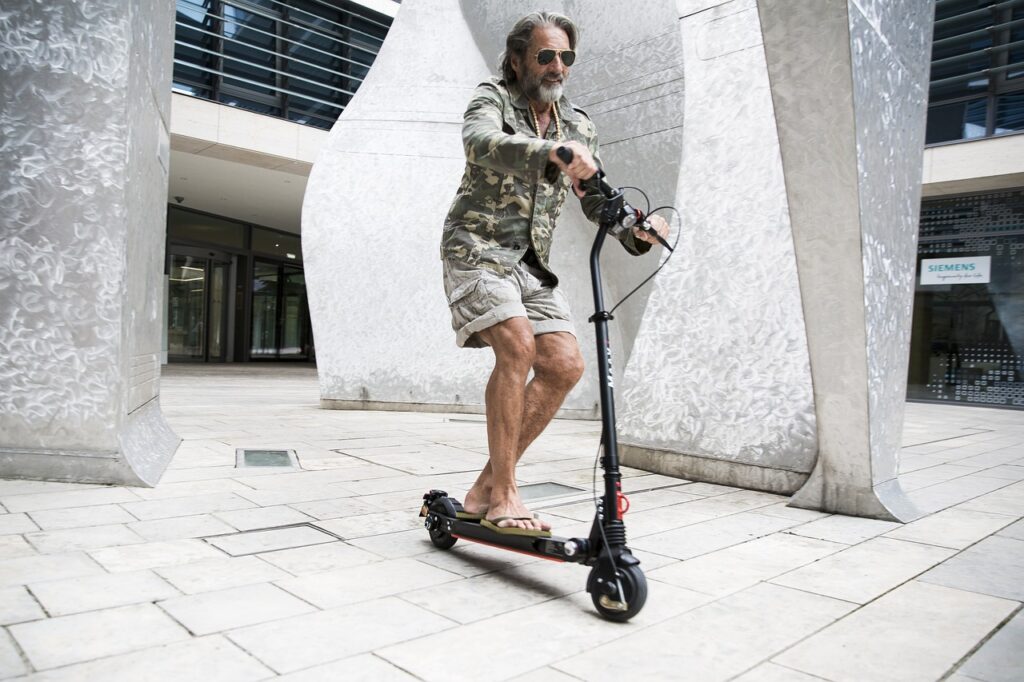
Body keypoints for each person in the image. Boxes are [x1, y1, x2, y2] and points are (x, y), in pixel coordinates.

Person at [439, 11, 669, 537]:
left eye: (566, 57)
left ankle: (483, 491)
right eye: (546, 56)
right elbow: (478, 142)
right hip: (476, 249)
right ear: (519, 59)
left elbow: (593, 200)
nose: (558, 66)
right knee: (517, 346)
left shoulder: (579, 124)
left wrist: (636, 231)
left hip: (530, 264)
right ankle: (506, 495)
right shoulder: (492, 99)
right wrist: (553, 152)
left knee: (564, 365)